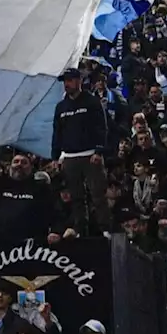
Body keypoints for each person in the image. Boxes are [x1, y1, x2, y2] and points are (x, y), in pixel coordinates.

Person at [53, 68, 110, 234]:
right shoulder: (61, 107)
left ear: (79, 81)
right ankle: (80, 230)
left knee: (98, 195)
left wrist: (99, 151)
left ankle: (105, 230)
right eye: (65, 81)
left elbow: (101, 127)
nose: (67, 84)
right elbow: (57, 132)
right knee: (76, 197)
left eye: (70, 80)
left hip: (90, 155)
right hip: (70, 157)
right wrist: (55, 156)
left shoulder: (92, 101)